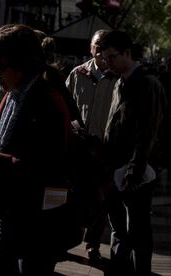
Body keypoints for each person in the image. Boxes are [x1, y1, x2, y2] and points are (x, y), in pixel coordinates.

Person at [0, 24, 83, 275]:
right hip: (8, 209)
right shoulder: (14, 95)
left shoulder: (47, 101)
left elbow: (42, 168)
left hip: (38, 217)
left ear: (22, 63)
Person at [100, 30, 167, 275]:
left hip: (136, 172)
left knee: (138, 229)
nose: (108, 63)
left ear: (127, 53)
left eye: (112, 57)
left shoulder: (147, 83)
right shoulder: (120, 81)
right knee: (121, 227)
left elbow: (148, 133)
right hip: (117, 169)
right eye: (105, 58)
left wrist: (134, 171)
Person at [65, 29, 118, 262]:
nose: (99, 50)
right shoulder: (77, 74)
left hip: (105, 150)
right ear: (90, 47)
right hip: (79, 148)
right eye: (96, 45)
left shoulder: (118, 77)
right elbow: (65, 107)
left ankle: (93, 244)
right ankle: (68, 239)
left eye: (103, 46)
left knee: (100, 200)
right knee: (74, 195)